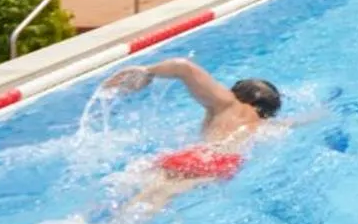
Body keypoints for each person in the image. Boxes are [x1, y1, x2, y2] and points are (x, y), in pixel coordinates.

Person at [100, 58, 282, 214]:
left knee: (130, 191)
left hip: (199, 157)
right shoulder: (263, 124)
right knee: (157, 199)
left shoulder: (229, 103)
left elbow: (184, 67)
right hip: (225, 166)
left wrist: (148, 72)